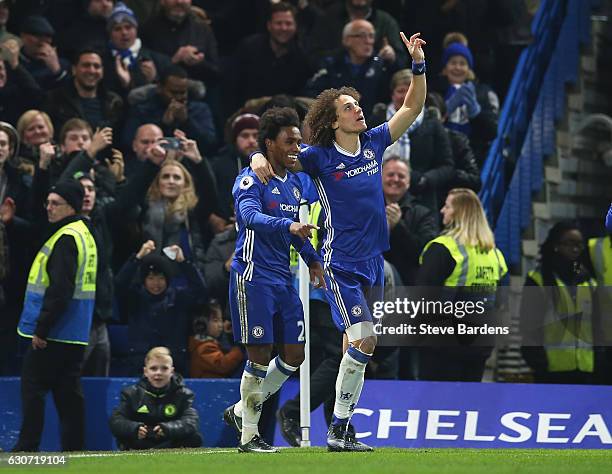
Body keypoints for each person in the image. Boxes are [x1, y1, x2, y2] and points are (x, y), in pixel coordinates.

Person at [251, 31, 426, 452]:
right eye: (350, 108)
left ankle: (338, 427)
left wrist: (418, 65)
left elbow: (413, 106)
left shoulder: (373, 143)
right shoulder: (316, 157)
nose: (359, 111)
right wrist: (258, 157)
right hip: (340, 263)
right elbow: (275, 156)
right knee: (363, 337)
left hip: (374, 260)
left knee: (362, 345)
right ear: (332, 121)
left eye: (359, 105)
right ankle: (338, 428)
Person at [223, 107, 325, 453]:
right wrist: (290, 226)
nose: (297, 147)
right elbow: (249, 217)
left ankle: (240, 410)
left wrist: (312, 259)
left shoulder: (295, 183)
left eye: (299, 140)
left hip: (283, 277)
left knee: (295, 354)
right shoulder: (252, 178)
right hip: (252, 275)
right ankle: (249, 435)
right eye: (289, 141)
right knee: (259, 356)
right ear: (270, 143)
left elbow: (296, 231)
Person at [12, 179, 98, 452]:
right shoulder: (83, 232)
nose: (48, 208)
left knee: (33, 388)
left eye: (55, 203)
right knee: (68, 395)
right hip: (75, 331)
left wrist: (42, 328)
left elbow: (60, 290)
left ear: (70, 206)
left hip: (55, 332)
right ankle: (75, 450)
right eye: (47, 202)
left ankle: (27, 447)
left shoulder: (65, 237)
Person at [415, 188, 507, 382]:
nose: (442, 210)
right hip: (479, 346)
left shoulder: (443, 248)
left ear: (459, 213)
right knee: (468, 406)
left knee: (436, 406)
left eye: (447, 206)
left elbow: (422, 299)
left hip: (442, 350)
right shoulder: (494, 254)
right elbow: (499, 303)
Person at [114, 240, 207, 376]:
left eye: (160, 278)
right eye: (151, 278)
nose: (156, 284)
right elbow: (119, 284)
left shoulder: (179, 298)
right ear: (144, 280)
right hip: (139, 363)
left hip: (175, 364)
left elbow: (200, 290)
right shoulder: (135, 298)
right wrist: (137, 258)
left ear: (168, 280)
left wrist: (183, 262)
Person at [520, 222, 597, 384]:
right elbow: (528, 327)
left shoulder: (589, 282)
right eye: (569, 243)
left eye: (579, 245)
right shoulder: (538, 280)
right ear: (556, 245)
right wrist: (539, 364)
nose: (575, 249)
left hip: (586, 371)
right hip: (550, 372)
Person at [109, 346, 203, 450]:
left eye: (164, 368)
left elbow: (191, 421)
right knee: (124, 436)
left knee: (194, 437)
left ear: (172, 371)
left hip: (170, 443)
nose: (158, 373)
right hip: (140, 444)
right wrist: (134, 428)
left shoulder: (184, 395)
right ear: (145, 371)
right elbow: (116, 421)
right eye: (153, 368)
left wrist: (167, 429)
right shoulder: (131, 393)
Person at [43, 48, 124, 134]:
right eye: (86, 65)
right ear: (74, 69)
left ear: (102, 71)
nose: (92, 71)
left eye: (96, 66)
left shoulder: (114, 102)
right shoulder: (54, 99)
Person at [212, 113, 260, 221]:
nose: (251, 141)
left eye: (256, 136)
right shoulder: (220, 166)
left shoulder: (271, 165)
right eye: (245, 135)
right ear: (235, 139)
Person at [188, 299, 243, 378]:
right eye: (215, 320)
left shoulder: (210, 344)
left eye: (221, 320)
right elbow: (223, 365)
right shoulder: (204, 347)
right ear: (202, 324)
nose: (220, 325)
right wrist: (239, 348)